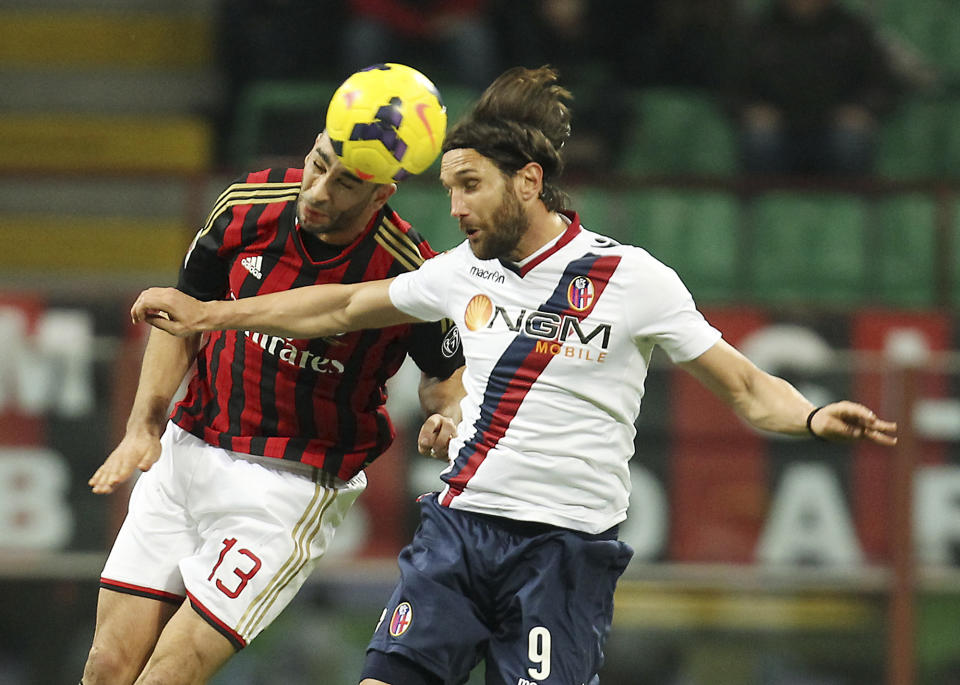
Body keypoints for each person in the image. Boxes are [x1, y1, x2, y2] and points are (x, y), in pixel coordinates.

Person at [130, 66, 898, 685]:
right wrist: (209, 316)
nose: (455, 207)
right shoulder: (459, 272)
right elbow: (337, 305)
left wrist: (811, 416)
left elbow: (745, 385)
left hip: (562, 553)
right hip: (459, 533)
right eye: (450, 189)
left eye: (470, 186)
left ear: (527, 182)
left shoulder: (631, 278)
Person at [80, 65, 465, 685]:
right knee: (106, 667)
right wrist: (143, 427)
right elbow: (180, 318)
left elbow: (446, 380)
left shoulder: (408, 272)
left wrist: (446, 415)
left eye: (345, 184)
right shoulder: (247, 205)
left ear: (380, 195)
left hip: (285, 486)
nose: (318, 191)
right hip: (186, 451)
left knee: (166, 676)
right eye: (319, 163)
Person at [729, 0, 902, 177]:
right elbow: (732, 87)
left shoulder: (853, 31)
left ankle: (848, 202)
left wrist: (864, 108)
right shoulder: (758, 31)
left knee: (851, 142)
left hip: (835, 130)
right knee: (759, 141)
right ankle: (764, 201)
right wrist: (750, 110)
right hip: (777, 131)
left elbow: (882, 84)